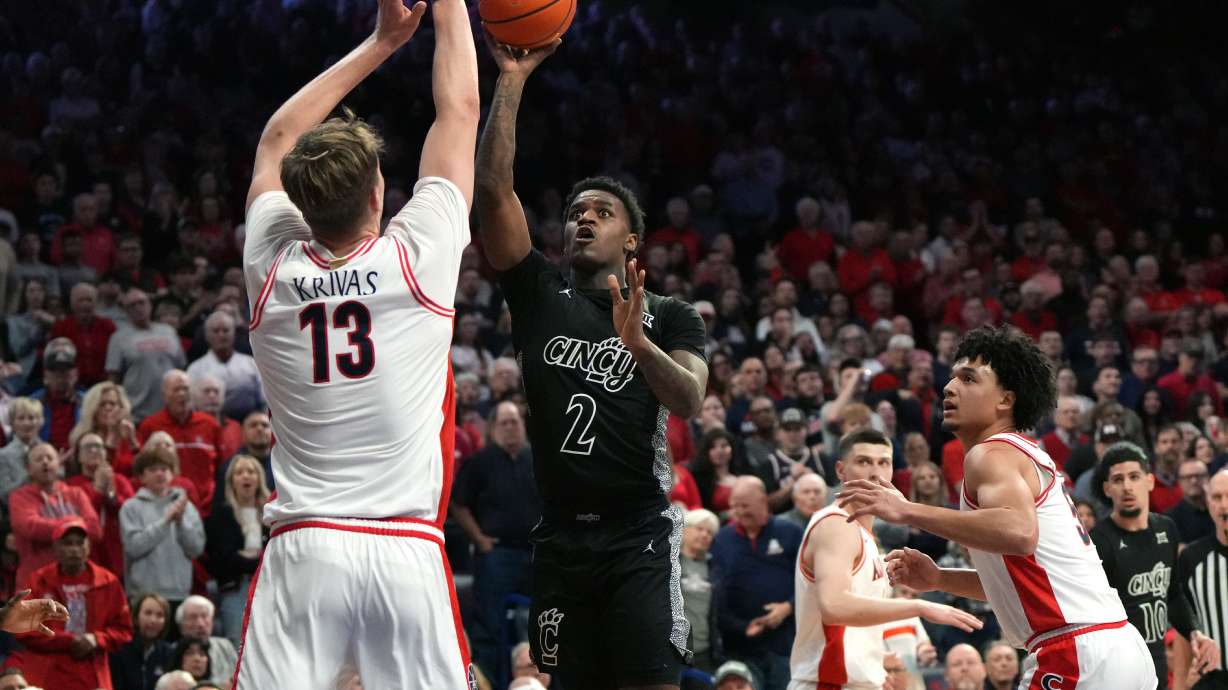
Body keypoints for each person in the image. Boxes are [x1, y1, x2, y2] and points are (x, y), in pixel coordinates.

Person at [236, 0, 479, 686]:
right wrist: (449, 8)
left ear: (300, 205)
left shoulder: (272, 270)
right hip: (404, 548)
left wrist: (377, 43)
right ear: (379, 194)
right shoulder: (415, 260)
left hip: (305, 549)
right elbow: (459, 109)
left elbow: (276, 139)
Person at [476, 33, 707, 690]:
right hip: (559, 541)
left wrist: (638, 346)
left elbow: (690, 399)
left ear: (630, 238)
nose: (583, 219)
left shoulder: (670, 314)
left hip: (638, 534)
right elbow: (493, 190)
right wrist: (513, 80)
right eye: (576, 212)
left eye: (601, 213)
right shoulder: (538, 293)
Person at [838, 326, 1153, 689]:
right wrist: (940, 579)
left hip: (1075, 651)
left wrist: (907, 510)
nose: (949, 387)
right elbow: (1030, 580)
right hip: (1114, 645)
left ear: (1005, 399)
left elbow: (1019, 534)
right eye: (953, 376)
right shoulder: (1020, 454)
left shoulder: (991, 454)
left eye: (969, 378)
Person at [788, 430, 979, 690]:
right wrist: (919, 607)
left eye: (884, 463)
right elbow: (834, 606)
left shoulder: (867, 536)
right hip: (826, 682)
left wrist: (874, 662)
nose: (875, 473)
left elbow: (851, 626)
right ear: (841, 471)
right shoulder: (837, 523)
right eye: (864, 462)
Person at [1087, 441, 1220, 690]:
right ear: (1107, 489)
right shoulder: (1099, 542)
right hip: (1117, 666)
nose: (1127, 486)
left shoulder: (1166, 528)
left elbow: (1172, 593)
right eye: (1118, 480)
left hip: (1156, 657)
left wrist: (1193, 631)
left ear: (1149, 481)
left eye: (1134, 477)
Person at [450, 401, 539, 678]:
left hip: (537, 554)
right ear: (492, 429)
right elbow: (458, 504)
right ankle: (488, 680)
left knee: (547, 623)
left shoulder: (537, 459)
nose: (511, 427)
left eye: (515, 421)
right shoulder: (480, 461)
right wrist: (479, 538)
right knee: (489, 627)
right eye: (504, 422)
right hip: (497, 554)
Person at [4, 519, 132, 690]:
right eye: (67, 543)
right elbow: (24, 629)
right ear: (55, 548)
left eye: (80, 543)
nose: (74, 549)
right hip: (49, 675)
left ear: (89, 547)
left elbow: (123, 629)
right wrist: (68, 641)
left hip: (93, 674)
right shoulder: (38, 581)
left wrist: (96, 639)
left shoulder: (108, 582)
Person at [711, 477, 802, 690]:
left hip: (784, 645)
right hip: (740, 647)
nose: (739, 511)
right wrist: (742, 627)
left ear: (763, 500)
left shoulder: (790, 532)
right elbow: (717, 595)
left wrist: (788, 607)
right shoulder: (722, 539)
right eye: (735, 506)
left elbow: (811, 580)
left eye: (745, 505)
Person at [118, 447, 205, 608]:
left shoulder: (186, 506)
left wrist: (180, 523)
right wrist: (165, 521)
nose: (160, 473)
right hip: (143, 597)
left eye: (164, 469)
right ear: (142, 476)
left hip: (180, 594)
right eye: (153, 469)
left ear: (172, 474)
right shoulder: (131, 507)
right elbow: (133, 547)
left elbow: (196, 549)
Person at [9, 442, 102, 588]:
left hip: (77, 581)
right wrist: (74, 523)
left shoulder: (76, 493)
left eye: (50, 458)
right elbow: (30, 526)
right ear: (28, 469)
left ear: (59, 464)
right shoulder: (19, 497)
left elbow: (95, 529)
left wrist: (56, 527)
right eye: (39, 459)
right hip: (36, 582)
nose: (45, 462)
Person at [205, 456, 269, 647]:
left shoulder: (272, 514)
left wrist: (243, 557)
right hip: (234, 590)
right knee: (238, 645)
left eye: (251, 471)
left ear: (259, 478)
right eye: (239, 472)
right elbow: (222, 560)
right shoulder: (221, 514)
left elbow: (277, 554)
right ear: (231, 480)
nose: (245, 476)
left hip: (267, 588)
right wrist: (258, 560)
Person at [136, 370, 222, 515]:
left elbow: (221, 464)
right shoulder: (150, 426)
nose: (182, 394)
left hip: (209, 507)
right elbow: (143, 466)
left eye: (185, 389)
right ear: (164, 395)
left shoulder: (209, 424)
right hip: (166, 507)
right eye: (176, 390)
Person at [1174, 470, 1228, 689]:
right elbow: (1184, 632)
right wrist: (1179, 686)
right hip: (1212, 681)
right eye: (1216, 497)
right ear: (1208, 503)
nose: (1224, 504)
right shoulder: (1191, 558)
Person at [105, 288, 185, 422]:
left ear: (150, 305)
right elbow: (113, 379)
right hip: (138, 413)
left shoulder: (168, 331)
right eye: (132, 305)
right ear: (126, 311)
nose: (138, 308)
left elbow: (182, 369)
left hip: (172, 412)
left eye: (141, 303)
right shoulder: (118, 338)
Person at [64, 431, 134, 580]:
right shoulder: (71, 485)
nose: (94, 450)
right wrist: (97, 491)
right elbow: (76, 515)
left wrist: (111, 497)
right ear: (79, 456)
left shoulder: (120, 481)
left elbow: (132, 511)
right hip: (86, 552)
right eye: (88, 447)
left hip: (117, 552)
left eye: (98, 446)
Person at [185, 311, 263, 422]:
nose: (221, 335)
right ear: (207, 335)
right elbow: (190, 405)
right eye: (216, 331)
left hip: (250, 425)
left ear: (234, 333)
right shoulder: (195, 369)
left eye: (226, 330)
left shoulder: (251, 364)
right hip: (208, 425)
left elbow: (264, 400)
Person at [679, 508, 720, 683]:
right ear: (684, 530)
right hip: (673, 650)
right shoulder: (668, 563)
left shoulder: (714, 568)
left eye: (710, 532)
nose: (705, 535)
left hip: (704, 651)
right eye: (699, 528)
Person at [48, 282, 116, 387]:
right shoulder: (61, 328)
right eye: (81, 300)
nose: (85, 304)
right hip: (72, 386)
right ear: (72, 304)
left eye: (89, 300)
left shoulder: (108, 326)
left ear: (96, 303)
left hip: (102, 385)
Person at [67, 382, 140, 478]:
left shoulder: (130, 434)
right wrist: (112, 435)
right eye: (102, 404)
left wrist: (132, 442)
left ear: (122, 408)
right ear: (92, 409)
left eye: (112, 404)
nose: (108, 408)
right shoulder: (82, 438)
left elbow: (145, 471)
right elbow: (99, 473)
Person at [210, 411, 274, 514]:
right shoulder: (228, 469)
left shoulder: (283, 467)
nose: (259, 429)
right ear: (243, 432)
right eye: (253, 425)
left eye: (265, 425)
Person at [109, 592, 177, 690]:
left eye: (160, 615)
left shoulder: (169, 652)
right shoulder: (119, 650)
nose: (153, 620)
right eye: (148, 613)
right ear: (136, 618)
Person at [174, 597, 236, 686]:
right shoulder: (174, 651)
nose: (200, 624)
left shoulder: (225, 646)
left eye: (204, 616)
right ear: (181, 625)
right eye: (193, 617)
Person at [0, 397, 44, 502]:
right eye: (21, 418)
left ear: (40, 421)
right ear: (12, 423)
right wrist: (30, 475)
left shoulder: (50, 453)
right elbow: (5, 496)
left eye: (31, 418)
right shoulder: (2, 456)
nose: (26, 423)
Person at [1167, 458, 1215, 544]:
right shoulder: (1170, 519)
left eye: (1199, 476)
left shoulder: (1220, 511)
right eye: (1187, 477)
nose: (1194, 481)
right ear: (1179, 482)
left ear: (1208, 478)